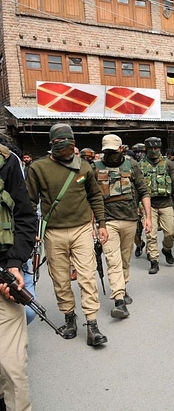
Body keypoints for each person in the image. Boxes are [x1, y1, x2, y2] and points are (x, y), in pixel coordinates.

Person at [26, 123, 109, 347]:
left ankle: (92, 325)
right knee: (60, 279)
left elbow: (95, 197)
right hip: (53, 233)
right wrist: (32, 232)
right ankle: (69, 318)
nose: (66, 147)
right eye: (60, 142)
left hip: (82, 229)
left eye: (69, 142)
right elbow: (30, 203)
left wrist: (101, 223)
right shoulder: (38, 168)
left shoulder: (84, 167)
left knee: (87, 277)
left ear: (74, 144)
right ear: (52, 143)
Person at [94, 135, 152, 318]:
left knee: (125, 259)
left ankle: (123, 285)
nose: (110, 154)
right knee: (113, 260)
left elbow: (143, 191)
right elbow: (89, 197)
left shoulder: (132, 165)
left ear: (121, 149)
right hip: (106, 221)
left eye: (113, 150)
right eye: (107, 151)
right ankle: (119, 300)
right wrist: (93, 224)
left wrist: (148, 217)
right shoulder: (94, 167)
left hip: (129, 219)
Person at [0, 143, 37, 411]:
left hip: (3, 275)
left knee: (13, 367)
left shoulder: (6, 160)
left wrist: (14, 263)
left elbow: (25, 216)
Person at [139, 137, 174, 274]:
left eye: (156, 148)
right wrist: (136, 205)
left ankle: (166, 249)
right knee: (151, 234)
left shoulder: (168, 164)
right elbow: (137, 187)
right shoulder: (140, 165)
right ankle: (154, 261)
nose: (154, 151)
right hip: (148, 204)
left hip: (166, 203)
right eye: (151, 148)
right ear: (146, 149)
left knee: (170, 232)